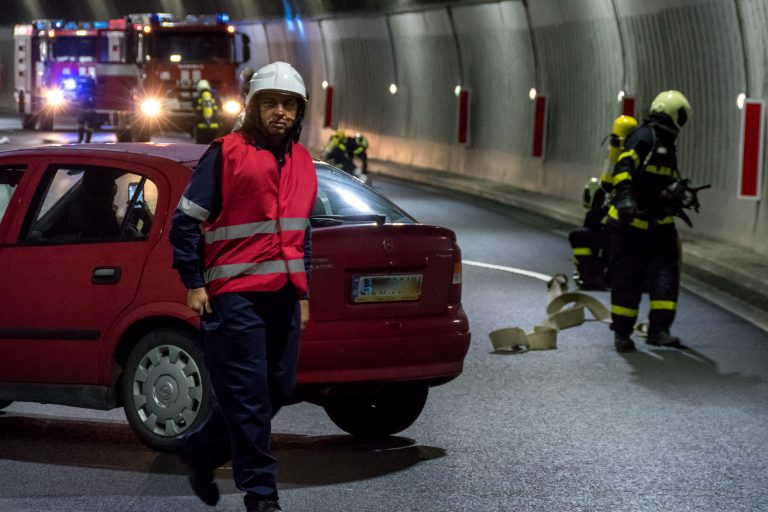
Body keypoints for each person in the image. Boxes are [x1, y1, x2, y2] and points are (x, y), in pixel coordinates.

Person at [169, 61, 317, 512]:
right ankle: (261, 495)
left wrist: (303, 292)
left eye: (288, 104)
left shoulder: (303, 162)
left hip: (283, 295)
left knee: (279, 387)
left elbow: (302, 233)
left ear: (299, 111)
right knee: (250, 399)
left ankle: (201, 449)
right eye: (270, 103)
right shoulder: (226, 153)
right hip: (234, 296)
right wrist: (194, 282)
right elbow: (184, 223)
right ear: (253, 107)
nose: (280, 112)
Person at [607, 90, 691, 352]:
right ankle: (622, 334)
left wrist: (675, 193)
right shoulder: (644, 137)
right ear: (674, 113)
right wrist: (626, 199)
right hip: (630, 226)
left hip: (659, 226)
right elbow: (623, 168)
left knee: (666, 276)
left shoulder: (667, 145)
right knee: (627, 280)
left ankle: (659, 329)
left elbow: (663, 179)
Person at [569, 115, 637, 290]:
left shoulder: (622, 155)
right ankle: (595, 272)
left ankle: (590, 274)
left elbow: (607, 183)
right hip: (629, 218)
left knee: (583, 233)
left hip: (620, 219)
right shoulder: (645, 150)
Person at [75, 76, 99, 143]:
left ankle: (81, 140)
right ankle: (87, 140)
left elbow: (78, 97)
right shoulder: (93, 90)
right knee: (88, 126)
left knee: (82, 125)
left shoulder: (82, 90)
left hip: (84, 110)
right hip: (89, 110)